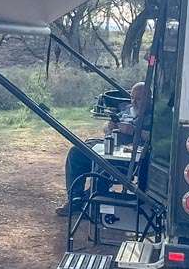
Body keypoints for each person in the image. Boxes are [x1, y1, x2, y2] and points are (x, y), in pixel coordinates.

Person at [57, 81, 150, 217]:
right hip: (112, 145)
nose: (134, 102)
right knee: (76, 153)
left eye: (139, 99)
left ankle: (89, 203)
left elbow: (155, 137)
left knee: (104, 165)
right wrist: (110, 127)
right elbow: (106, 129)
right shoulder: (126, 109)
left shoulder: (156, 116)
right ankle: (75, 199)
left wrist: (135, 131)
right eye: (132, 98)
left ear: (149, 99)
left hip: (131, 156)